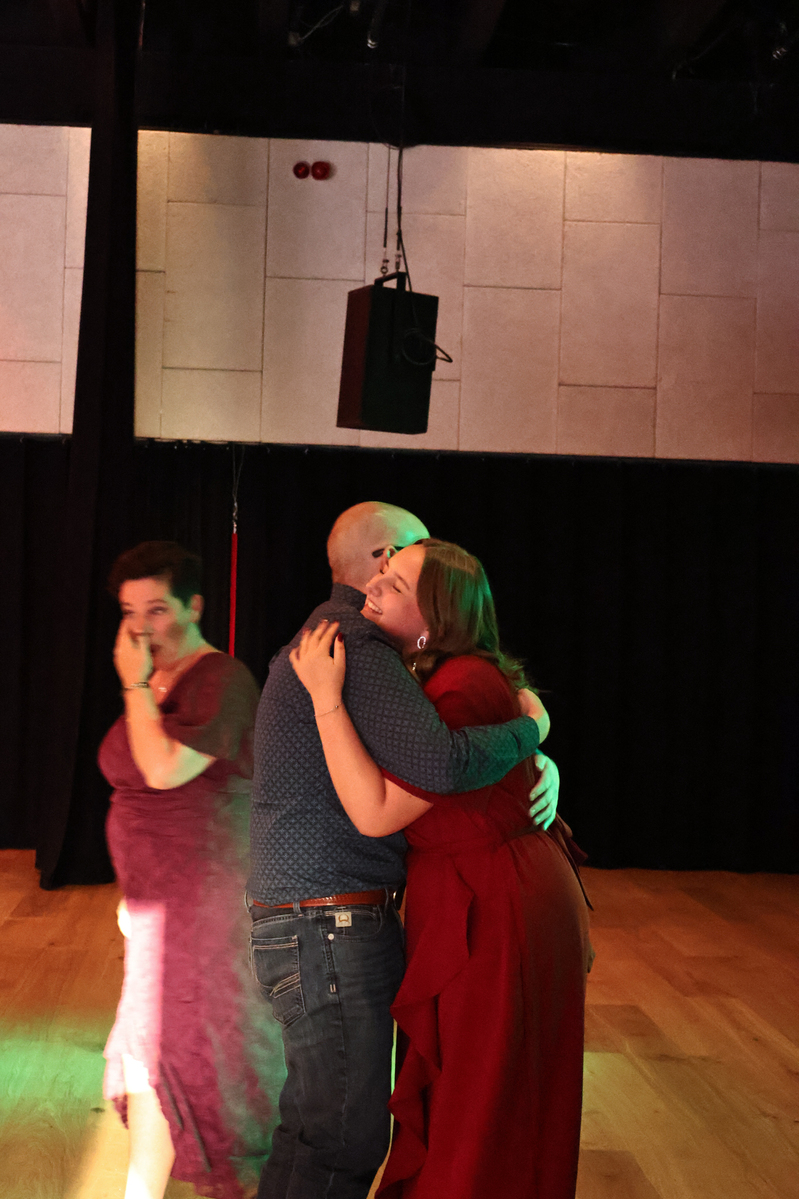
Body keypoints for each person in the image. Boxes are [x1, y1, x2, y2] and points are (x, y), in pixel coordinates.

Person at [248, 502, 559, 1199]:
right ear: (381, 559)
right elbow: (441, 764)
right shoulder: (355, 645)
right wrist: (533, 730)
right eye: (411, 553)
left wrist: (533, 753)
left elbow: (453, 738)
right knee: (341, 1139)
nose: (409, 567)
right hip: (326, 924)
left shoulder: (340, 640)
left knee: (314, 1130)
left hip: (308, 919)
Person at [98, 541, 283, 1199]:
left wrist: (131, 684)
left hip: (205, 906)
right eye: (129, 612)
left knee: (199, 1053)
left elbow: (163, 770)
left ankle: (229, 1184)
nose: (141, 627)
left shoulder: (223, 678)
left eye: (156, 608)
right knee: (151, 1050)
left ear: (194, 606)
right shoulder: (154, 682)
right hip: (157, 905)